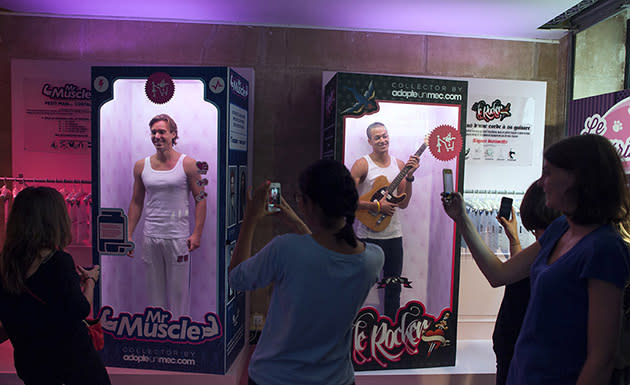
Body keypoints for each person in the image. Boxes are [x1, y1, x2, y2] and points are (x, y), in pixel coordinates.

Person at [442, 134, 630, 385]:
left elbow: (601, 357)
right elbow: (499, 274)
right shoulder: (561, 227)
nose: (542, 183)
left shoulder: (604, 249)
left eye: (549, 173)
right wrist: (462, 219)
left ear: (578, 178)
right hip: (525, 372)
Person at [229, 159, 384, 385]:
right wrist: (296, 220)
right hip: (337, 379)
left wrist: (250, 217)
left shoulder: (285, 248)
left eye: (299, 198)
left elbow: (237, 278)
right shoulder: (373, 258)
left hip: (274, 378)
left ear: (309, 204)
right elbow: (322, 254)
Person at [0, 187, 110, 385]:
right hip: (73, 365)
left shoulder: (6, 265)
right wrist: (91, 280)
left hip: (32, 366)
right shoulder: (59, 262)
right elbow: (81, 309)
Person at [128, 113, 206, 317]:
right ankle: (158, 337)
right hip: (151, 236)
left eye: (162, 131)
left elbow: (201, 198)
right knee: (154, 294)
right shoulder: (141, 166)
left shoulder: (189, 164)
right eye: (153, 132)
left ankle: (179, 337)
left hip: (178, 238)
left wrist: (197, 234)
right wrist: (127, 235)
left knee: (178, 293)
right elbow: (136, 202)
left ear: (173, 134)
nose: (157, 136)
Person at [350, 122, 419, 321]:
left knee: (393, 287)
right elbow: (348, 200)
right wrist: (376, 207)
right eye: (377, 137)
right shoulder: (362, 164)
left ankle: (392, 332)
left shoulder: (398, 165)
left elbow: (404, 203)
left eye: (385, 136)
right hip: (367, 236)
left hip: (393, 236)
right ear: (370, 141)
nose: (382, 140)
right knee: (360, 284)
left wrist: (410, 177)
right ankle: (354, 329)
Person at [492, 182, 560, 385]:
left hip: (522, 351)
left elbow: (499, 275)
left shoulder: (557, 253)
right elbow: (518, 273)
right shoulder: (550, 249)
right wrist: (514, 240)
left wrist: (461, 218)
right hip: (513, 348)